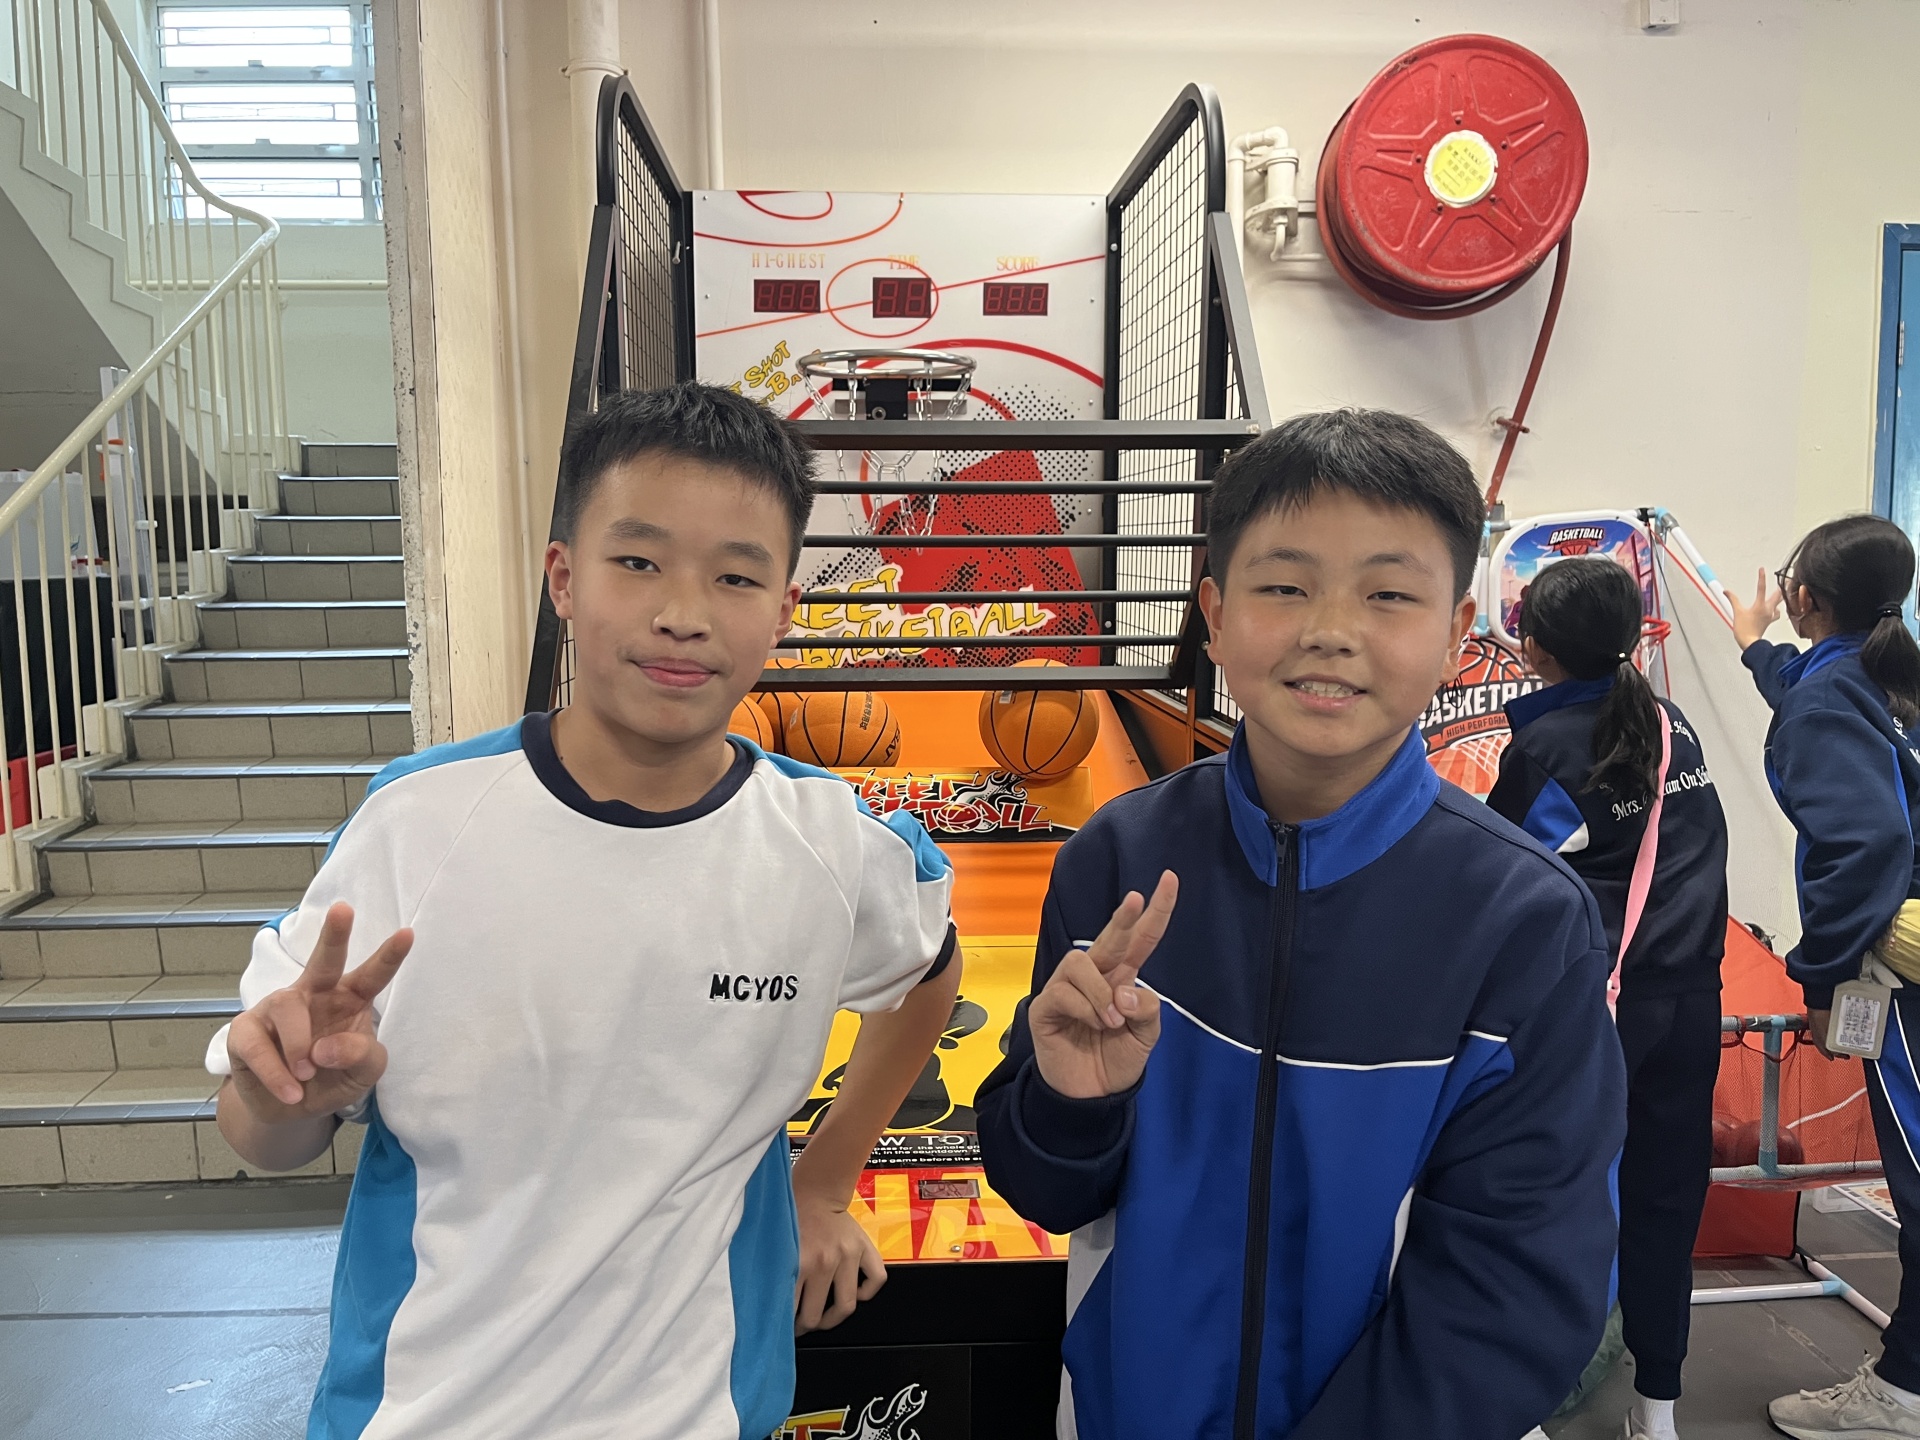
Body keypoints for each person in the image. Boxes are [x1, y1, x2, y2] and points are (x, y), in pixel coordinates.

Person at [205, 383, 963, 1440]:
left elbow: (929, 968)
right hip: (427, 1415)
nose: (683, 613)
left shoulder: (833, 845)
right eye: (639, 561)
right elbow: (260, 1138)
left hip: (699, 1413)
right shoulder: (416, 824)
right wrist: (284, 1092)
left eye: (736, 576)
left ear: (785, 608)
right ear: (564, 578)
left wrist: (824, 1184)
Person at [975, 408, 1628, 1439]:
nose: (1331, 629)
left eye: (1388, 593)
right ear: (1215, 613)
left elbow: (1514, 1296)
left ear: (1456, 633)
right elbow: (1044, 1191)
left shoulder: (1522, 924)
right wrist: (1068, 1102)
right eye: (1284, 587)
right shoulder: (1117, 860)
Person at [1485, 557, 1730, 1440]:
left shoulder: (1545, 750)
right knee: (1666, 1204)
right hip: (1692, 1003)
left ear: (1533, 646)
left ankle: (1520, 1403)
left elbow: (1495, 876)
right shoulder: (1672, 725)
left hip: (1598, 1012)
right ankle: (1658, 1412)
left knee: (1542, 1197)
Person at [1727, 515, 1920, 1439]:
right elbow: (1809, 688)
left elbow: (1867, 844)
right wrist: (1753, 644)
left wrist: (1821, 976)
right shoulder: (1889, 673)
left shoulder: (1830, 697)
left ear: (1806, 598)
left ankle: (1904, 1392)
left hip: (1904, 973)